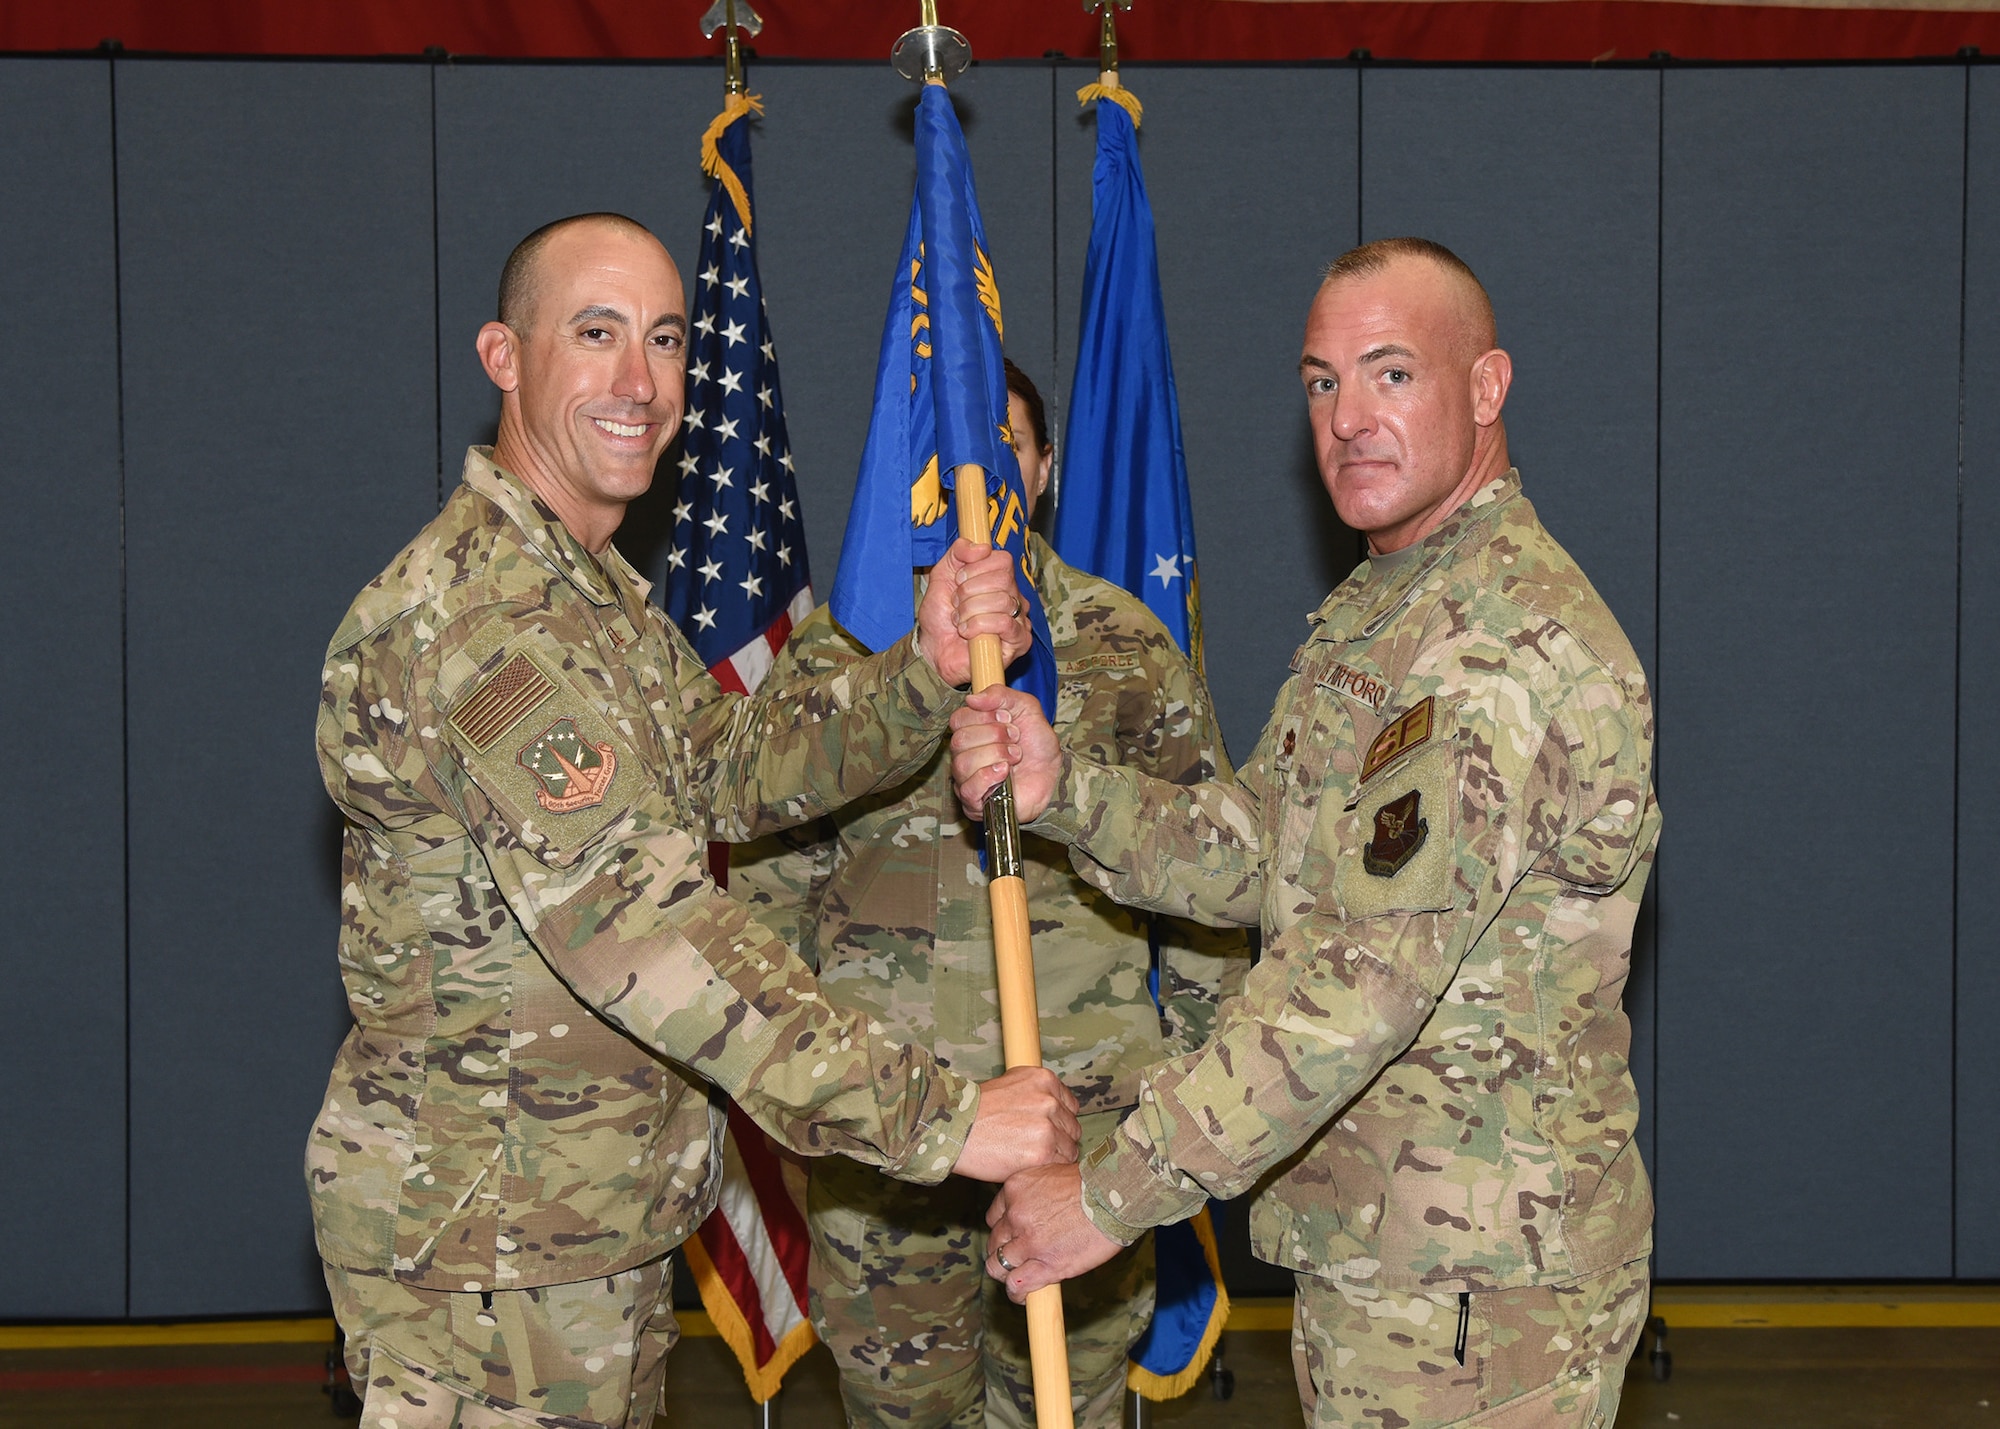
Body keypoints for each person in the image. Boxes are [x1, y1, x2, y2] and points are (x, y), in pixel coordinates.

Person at [309, 212, 1081, 1429]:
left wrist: (918, 675)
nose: (639, 382)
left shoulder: (592, 597)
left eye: (665, 340)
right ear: (504, 357)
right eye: (596, 333)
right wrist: (941, 1116)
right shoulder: (480, 619)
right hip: (486, 1257)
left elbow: (728, 760)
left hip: (580, 1225)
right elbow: (644, 932)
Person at [951, 239, 1659, 1429]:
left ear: (1484, 389)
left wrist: (1112, 1196)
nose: (1347, 418)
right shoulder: (1381, 611)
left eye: (1390, 374)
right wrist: (1064, 783)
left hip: (1477, 1293)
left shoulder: (1491, 648)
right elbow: (1253, 847)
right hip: (1389, 1255)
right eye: (1321, 382)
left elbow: (1354, 985)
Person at [729, 359, 1248, 1429]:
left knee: (1064, 1411)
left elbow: (1208, 885)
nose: (978, 470)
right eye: (951, 453)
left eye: (1004, 442)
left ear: (1043, 467)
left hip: (1084, 1133)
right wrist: (791, 1097)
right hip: (889, 1151)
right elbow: (765, 886)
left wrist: (1196, 1089)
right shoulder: (847, 653)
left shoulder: (1122, 647)